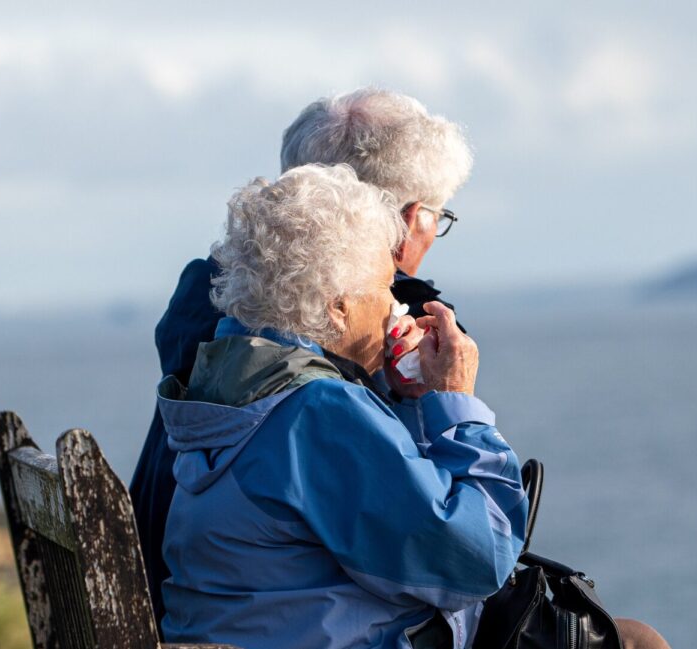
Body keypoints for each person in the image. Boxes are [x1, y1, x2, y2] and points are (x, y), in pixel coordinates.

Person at [130, 88, 473, 625]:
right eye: (437, 214)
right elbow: (455, 554)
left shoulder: (215, 307)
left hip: (165, 590)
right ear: (407, 220)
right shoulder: (358, 349)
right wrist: (448, 404)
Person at [158, 164, 527, 648]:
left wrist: (407, 399)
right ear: (338, 307)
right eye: (385, 287)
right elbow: (477, 560)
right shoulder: (316, 411)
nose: (395, 305)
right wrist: (456, 401)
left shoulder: (229, 383)